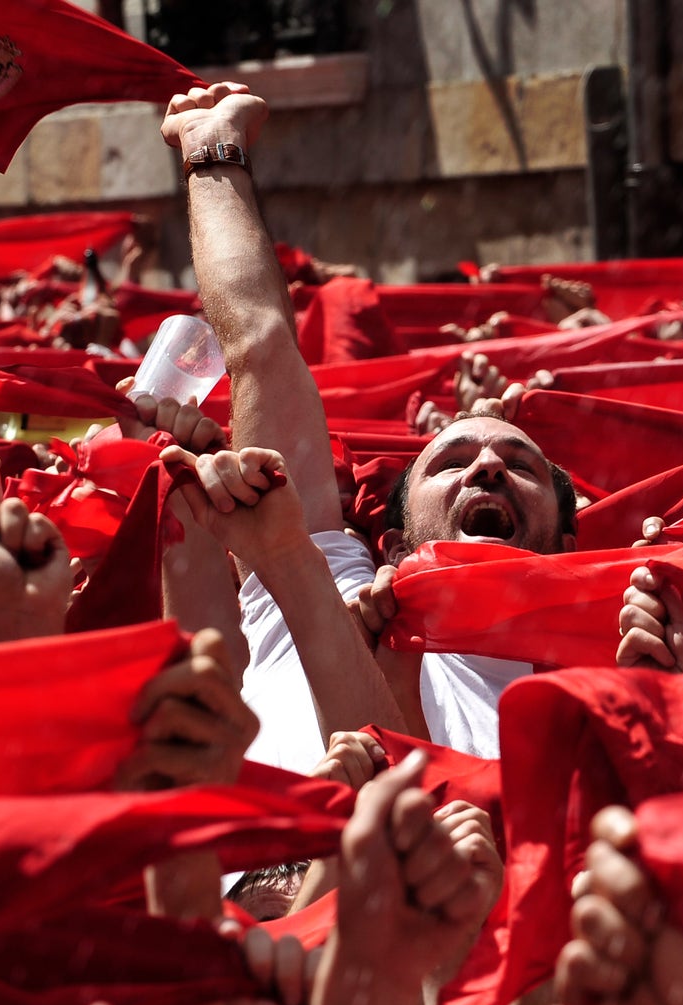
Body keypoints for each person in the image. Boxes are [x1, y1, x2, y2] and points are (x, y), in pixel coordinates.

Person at [157, 82, 582, 770]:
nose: (487, 467)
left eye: (522, 465)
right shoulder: (327, 580)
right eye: (451, 462)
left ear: (567, 543)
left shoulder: (595, 691)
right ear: (389, 546)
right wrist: (212, 153)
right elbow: (260, 346)